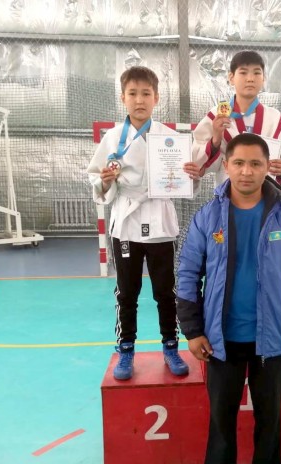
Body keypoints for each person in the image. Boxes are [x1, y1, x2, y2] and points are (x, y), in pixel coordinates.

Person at [176, 134, 281, 464]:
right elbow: (187, 274)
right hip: (221, 340)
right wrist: (193, 330)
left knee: (269, 415)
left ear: (267, 167)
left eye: (255, 163)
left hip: (273, 338)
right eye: (239, 163)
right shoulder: (207, 217)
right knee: (221, 415)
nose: (246, 171)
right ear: (226, 166)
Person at [87, 65, 196, 380]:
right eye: (132, 93)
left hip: (160, 223)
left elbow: (186, 181)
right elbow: (97, 181)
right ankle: (125, 350)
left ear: (156, 98)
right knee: (127, 292)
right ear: (123, 97)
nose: (139, 100)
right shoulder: (112, 138)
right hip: (127, 223)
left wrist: (192, 175)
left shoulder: (170, 138)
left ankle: (171, 346)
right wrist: (105, 181)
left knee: (166, 291)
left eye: (146, 93)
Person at [183, 50, 281, 190]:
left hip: (266, 195)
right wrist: (216, 139)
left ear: (264, 78)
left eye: (257, 73)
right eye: (243, 73)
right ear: (231, 78)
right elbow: (197, 165)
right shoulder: (216, 117)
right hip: (228, 195)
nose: (250, 79)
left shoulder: (275, 119)